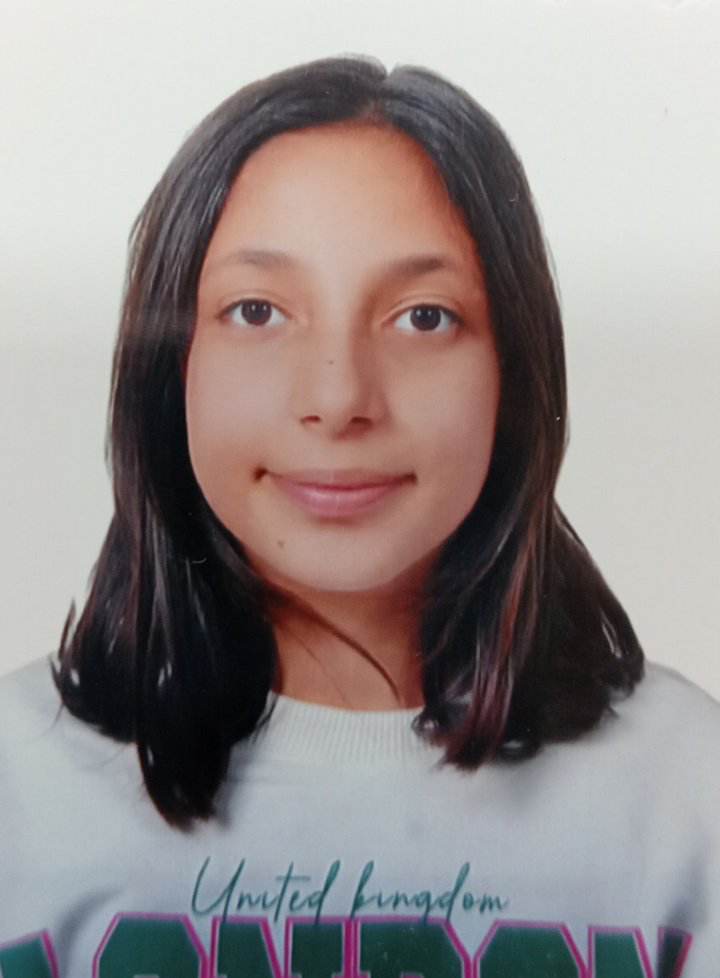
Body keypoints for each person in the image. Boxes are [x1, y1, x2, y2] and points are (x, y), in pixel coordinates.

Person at [1, 55, 717, 978]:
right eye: (257, 311)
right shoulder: (20, 786)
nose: (339, 399)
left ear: (514, 370)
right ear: (170, 368)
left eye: (423, 317)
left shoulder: (684, 793)